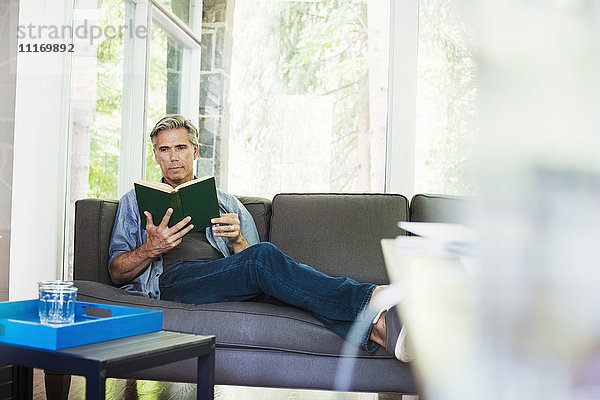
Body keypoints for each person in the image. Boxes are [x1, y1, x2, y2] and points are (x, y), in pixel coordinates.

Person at [108, 115, 411, 361]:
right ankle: (371, 296)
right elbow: (116, 271)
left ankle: (382, 330)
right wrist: (151, 248)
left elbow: (251, 259)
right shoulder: (135, 201)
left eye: (181, 148)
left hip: (225, 279)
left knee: (298, 295)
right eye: (164, 150)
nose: (173, 157)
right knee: (264, 257)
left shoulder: (225, 202)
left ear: (195, 151)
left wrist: (238, 238)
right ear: (156, 155)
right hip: (172, 281)